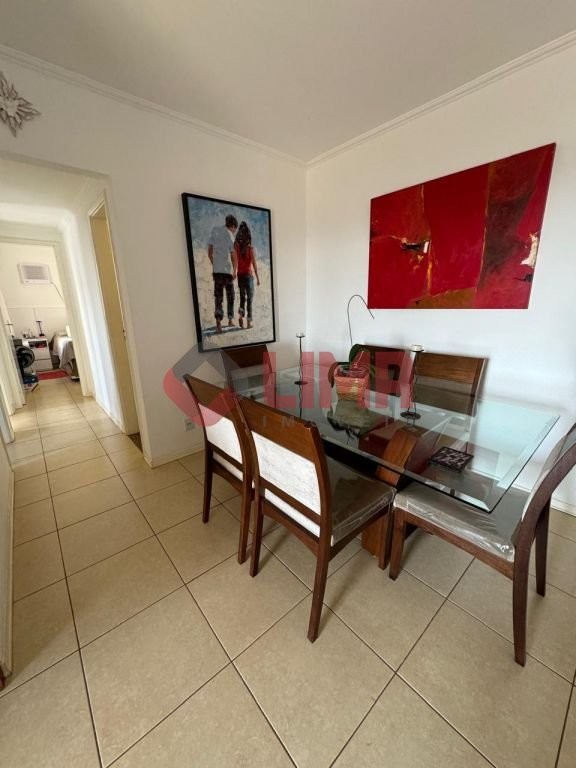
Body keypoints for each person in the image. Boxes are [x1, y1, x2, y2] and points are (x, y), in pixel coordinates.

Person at [208, 214, 238, 333]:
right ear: (233, 226)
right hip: (227, 271)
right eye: (235, 229)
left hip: (217, 271)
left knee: (218, 297)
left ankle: (218, 323)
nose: (234, 231)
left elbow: (209, 252)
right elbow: (233, 255)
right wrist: (235, 270)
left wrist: (214, 263)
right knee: (230, 296)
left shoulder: (215, 231)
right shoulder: (230, 235)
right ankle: (230, 319)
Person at [233, 221, 260, 329]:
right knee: (249, 299)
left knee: (242, 298)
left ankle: (240, 315)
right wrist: (257, 277)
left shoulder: (237, 248)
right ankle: (248, 322)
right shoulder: (250, 249)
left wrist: (234, 272)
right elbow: (254, 264)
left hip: (240, 276)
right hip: (248, 276)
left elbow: (235, 262)